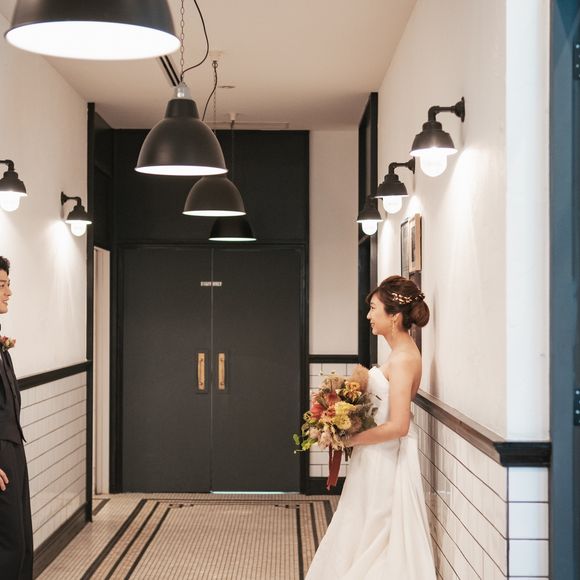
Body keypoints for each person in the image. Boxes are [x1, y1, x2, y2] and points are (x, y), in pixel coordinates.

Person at [306, 275, 436, 579]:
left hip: (385, 461)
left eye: (374, 308)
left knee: (376, 536)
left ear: (394, 316)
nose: (368, 315)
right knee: (360, 530)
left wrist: (350, 439)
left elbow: (399, 425)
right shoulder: (398, 353)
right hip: (374, 456)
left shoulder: (404, 359)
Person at [0, 256, 33, 580]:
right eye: (1, 285)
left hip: (14, 449)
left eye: (8, 284)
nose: (8, 292)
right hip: (1, 454)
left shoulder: (1, 345)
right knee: (10, 546)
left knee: (22, 543)